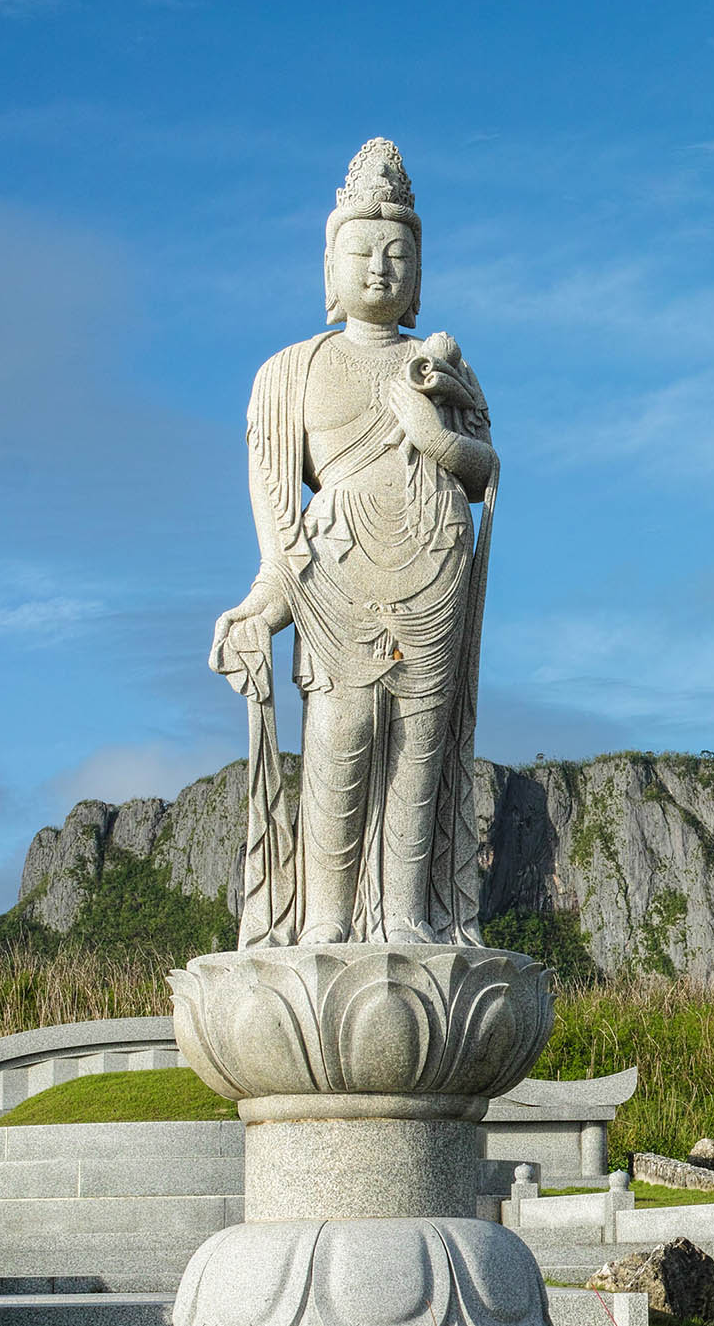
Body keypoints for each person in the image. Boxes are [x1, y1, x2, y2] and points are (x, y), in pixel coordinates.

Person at [209, 138, 497, 946]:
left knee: (421, 750)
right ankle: (326, 922)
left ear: (418, 273)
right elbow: (280, 541)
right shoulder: (289, 374)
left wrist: (434, 436)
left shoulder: (438, 369)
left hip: (435, 569)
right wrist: (255, 612)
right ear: (330, 266)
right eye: (363, 251)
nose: (380, 269)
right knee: (341, 737)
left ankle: (406, 916)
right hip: (335, 576)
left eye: (397, 253)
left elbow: (485, 471)